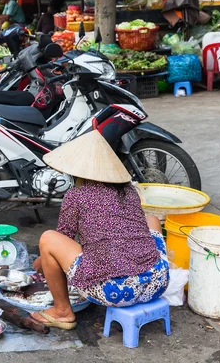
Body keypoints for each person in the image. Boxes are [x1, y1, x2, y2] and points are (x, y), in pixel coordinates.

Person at [29, 130, 170, 329]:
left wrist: (40, 262)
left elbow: (62, 238)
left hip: (115, 292)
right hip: (156, 282)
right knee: (152, 220)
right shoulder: (129, 191)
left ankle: (62, 312)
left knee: (48, 239)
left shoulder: (76, 195)